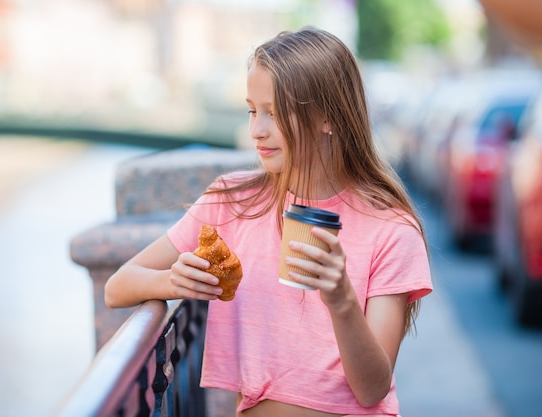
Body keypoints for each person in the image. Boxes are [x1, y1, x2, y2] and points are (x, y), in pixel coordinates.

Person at [105, 26, 433, 417]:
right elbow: (117, 286)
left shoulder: (390, 229)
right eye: (252, 110)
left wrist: (342, 301)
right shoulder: (232, 202)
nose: (257, 130)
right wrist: (173, 281)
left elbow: (372, 389)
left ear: (328, 117)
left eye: (275, 113)